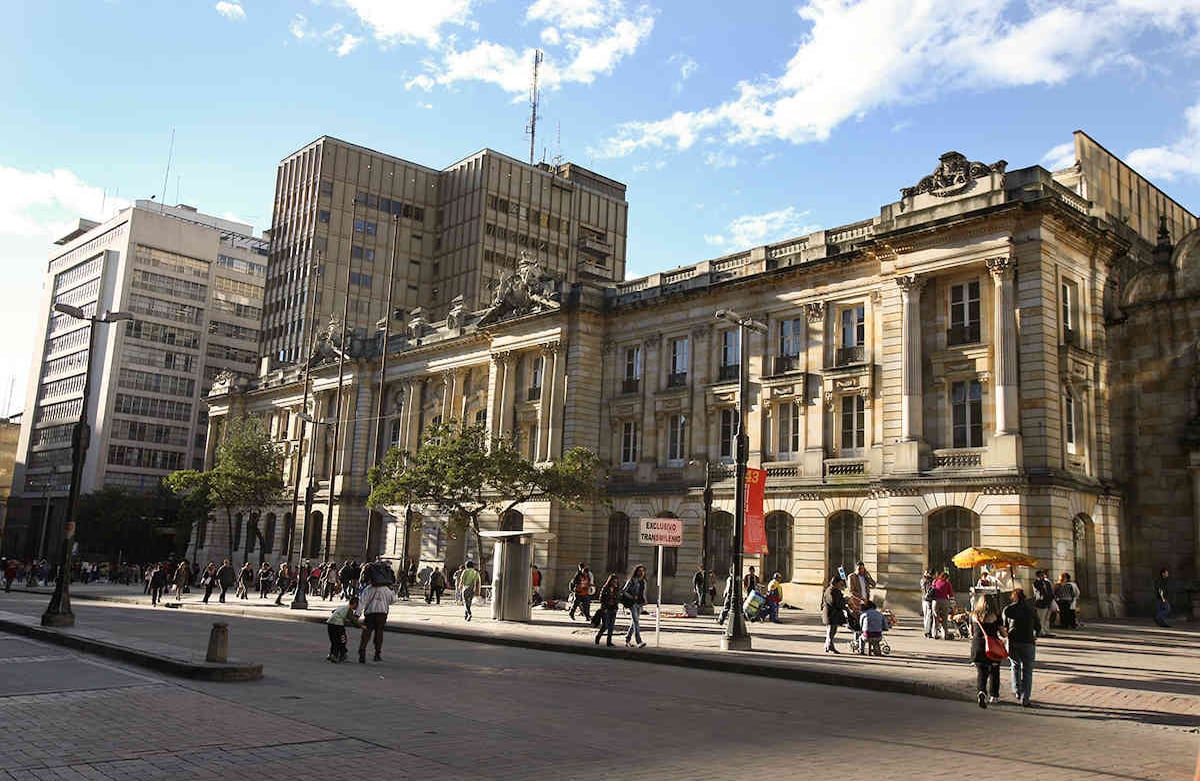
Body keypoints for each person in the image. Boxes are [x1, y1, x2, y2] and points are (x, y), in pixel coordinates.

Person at [1002, 587, 1039, 707]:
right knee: (1027, 670)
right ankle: (1026, 697)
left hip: (1013, 640)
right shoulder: (1031, 609)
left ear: (1013, 597)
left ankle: (1017, 690)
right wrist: (1035, 634)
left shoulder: (1008, 609)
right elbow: (1037, 626)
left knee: (1015, 665)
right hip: (1028, 641)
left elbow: (1004, 625)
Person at [970, 594, 1007, 708]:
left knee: (981, 671)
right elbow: (1002, 633)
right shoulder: (996, 616)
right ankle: (994, 695)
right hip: (992, 646)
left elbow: (971, 632)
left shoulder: (973, 616)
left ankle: (981, 692)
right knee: (994, 671)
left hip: (977, 645)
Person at [357, 581, 396, 663]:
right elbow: (393, 600)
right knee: (379, 634)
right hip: (382, 614)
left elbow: (362, 602)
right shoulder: (386, 589)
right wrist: (392, 590)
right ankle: (377, 654)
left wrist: (357, 614)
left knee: (366, 634)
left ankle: (362, 654)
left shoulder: (368, 589)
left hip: (370, 614)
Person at [326, 595, 360, 662]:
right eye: (357, 605)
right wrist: (361, 626)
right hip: (338, 625)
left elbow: (333, 611)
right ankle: (336, 655)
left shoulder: (343, 606)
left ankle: (331, 654)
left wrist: (343, 617)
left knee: (334, 640)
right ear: (355, 604)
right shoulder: (349, 610)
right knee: (341, 640)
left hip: (330, 624)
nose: (357, 607)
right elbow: (353, 620)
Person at [820, 576, 847, 653]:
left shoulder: (830, 589)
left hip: (832, 614)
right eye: (840, 584)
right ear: (836, 583)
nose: (841, 585)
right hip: (831, 614)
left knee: (831, 631)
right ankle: (829, 646)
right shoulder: (831, 590)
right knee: (831, 631)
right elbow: (833, 602)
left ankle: (827, 646)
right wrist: (844, 601)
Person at [623, 564, 647, 648]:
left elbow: (643, 593)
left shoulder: (643, 581)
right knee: (636, 622)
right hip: (632, 603)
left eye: (643, 571)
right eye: (640, 571)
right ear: (636, 571)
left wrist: (644, 602)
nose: (641, 572)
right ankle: (639, 641)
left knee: (634, 622)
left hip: (639, 604)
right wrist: (632, 597)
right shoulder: (632, 580)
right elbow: (624, 591)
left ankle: (627, 639)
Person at [595, 573, 621, 647]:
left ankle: (609, 642)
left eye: (616, 582)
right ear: (610, 581)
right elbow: (601, 598)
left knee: (611, 626)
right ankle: (598, 637)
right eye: (614, 581)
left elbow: (618, 599)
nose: (615, 583)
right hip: (606, 609)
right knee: (605, 625)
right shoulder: (605, 588)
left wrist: (616, 606)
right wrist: (604, 607)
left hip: (613, 608)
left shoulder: (616, 589)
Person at [930, 570, 955, 640]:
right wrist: (952, 604)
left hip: (935, 601)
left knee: (935, 618)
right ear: (946, 577)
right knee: (944, 619)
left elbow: (932, 590)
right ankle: (945, 635)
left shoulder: (935, 581)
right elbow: (951, 594)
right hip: (944, 601)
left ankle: (934, 634)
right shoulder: (947, 583)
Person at [1032, 570, 1056, 637]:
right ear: (1037, 576)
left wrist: (1052, 598)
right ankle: (1041, 632)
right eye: (1041, 575)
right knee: (1041, 618)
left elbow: (1050, 591)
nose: (1042, 576)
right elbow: (1039, 591)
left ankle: (1046, 631)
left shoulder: (1047, 582)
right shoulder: (1036, 583)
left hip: (1048, 601)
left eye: (1043, 575)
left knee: (1047, 618)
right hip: (1041, 603)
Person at [920, 570, 935, 637]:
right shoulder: (928, 581)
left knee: (926, 616)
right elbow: (930, 590)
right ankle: (927, 631)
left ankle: (926, 631)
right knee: (929, 616)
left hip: (924, 599)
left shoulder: (923, 580)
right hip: (928, 600)